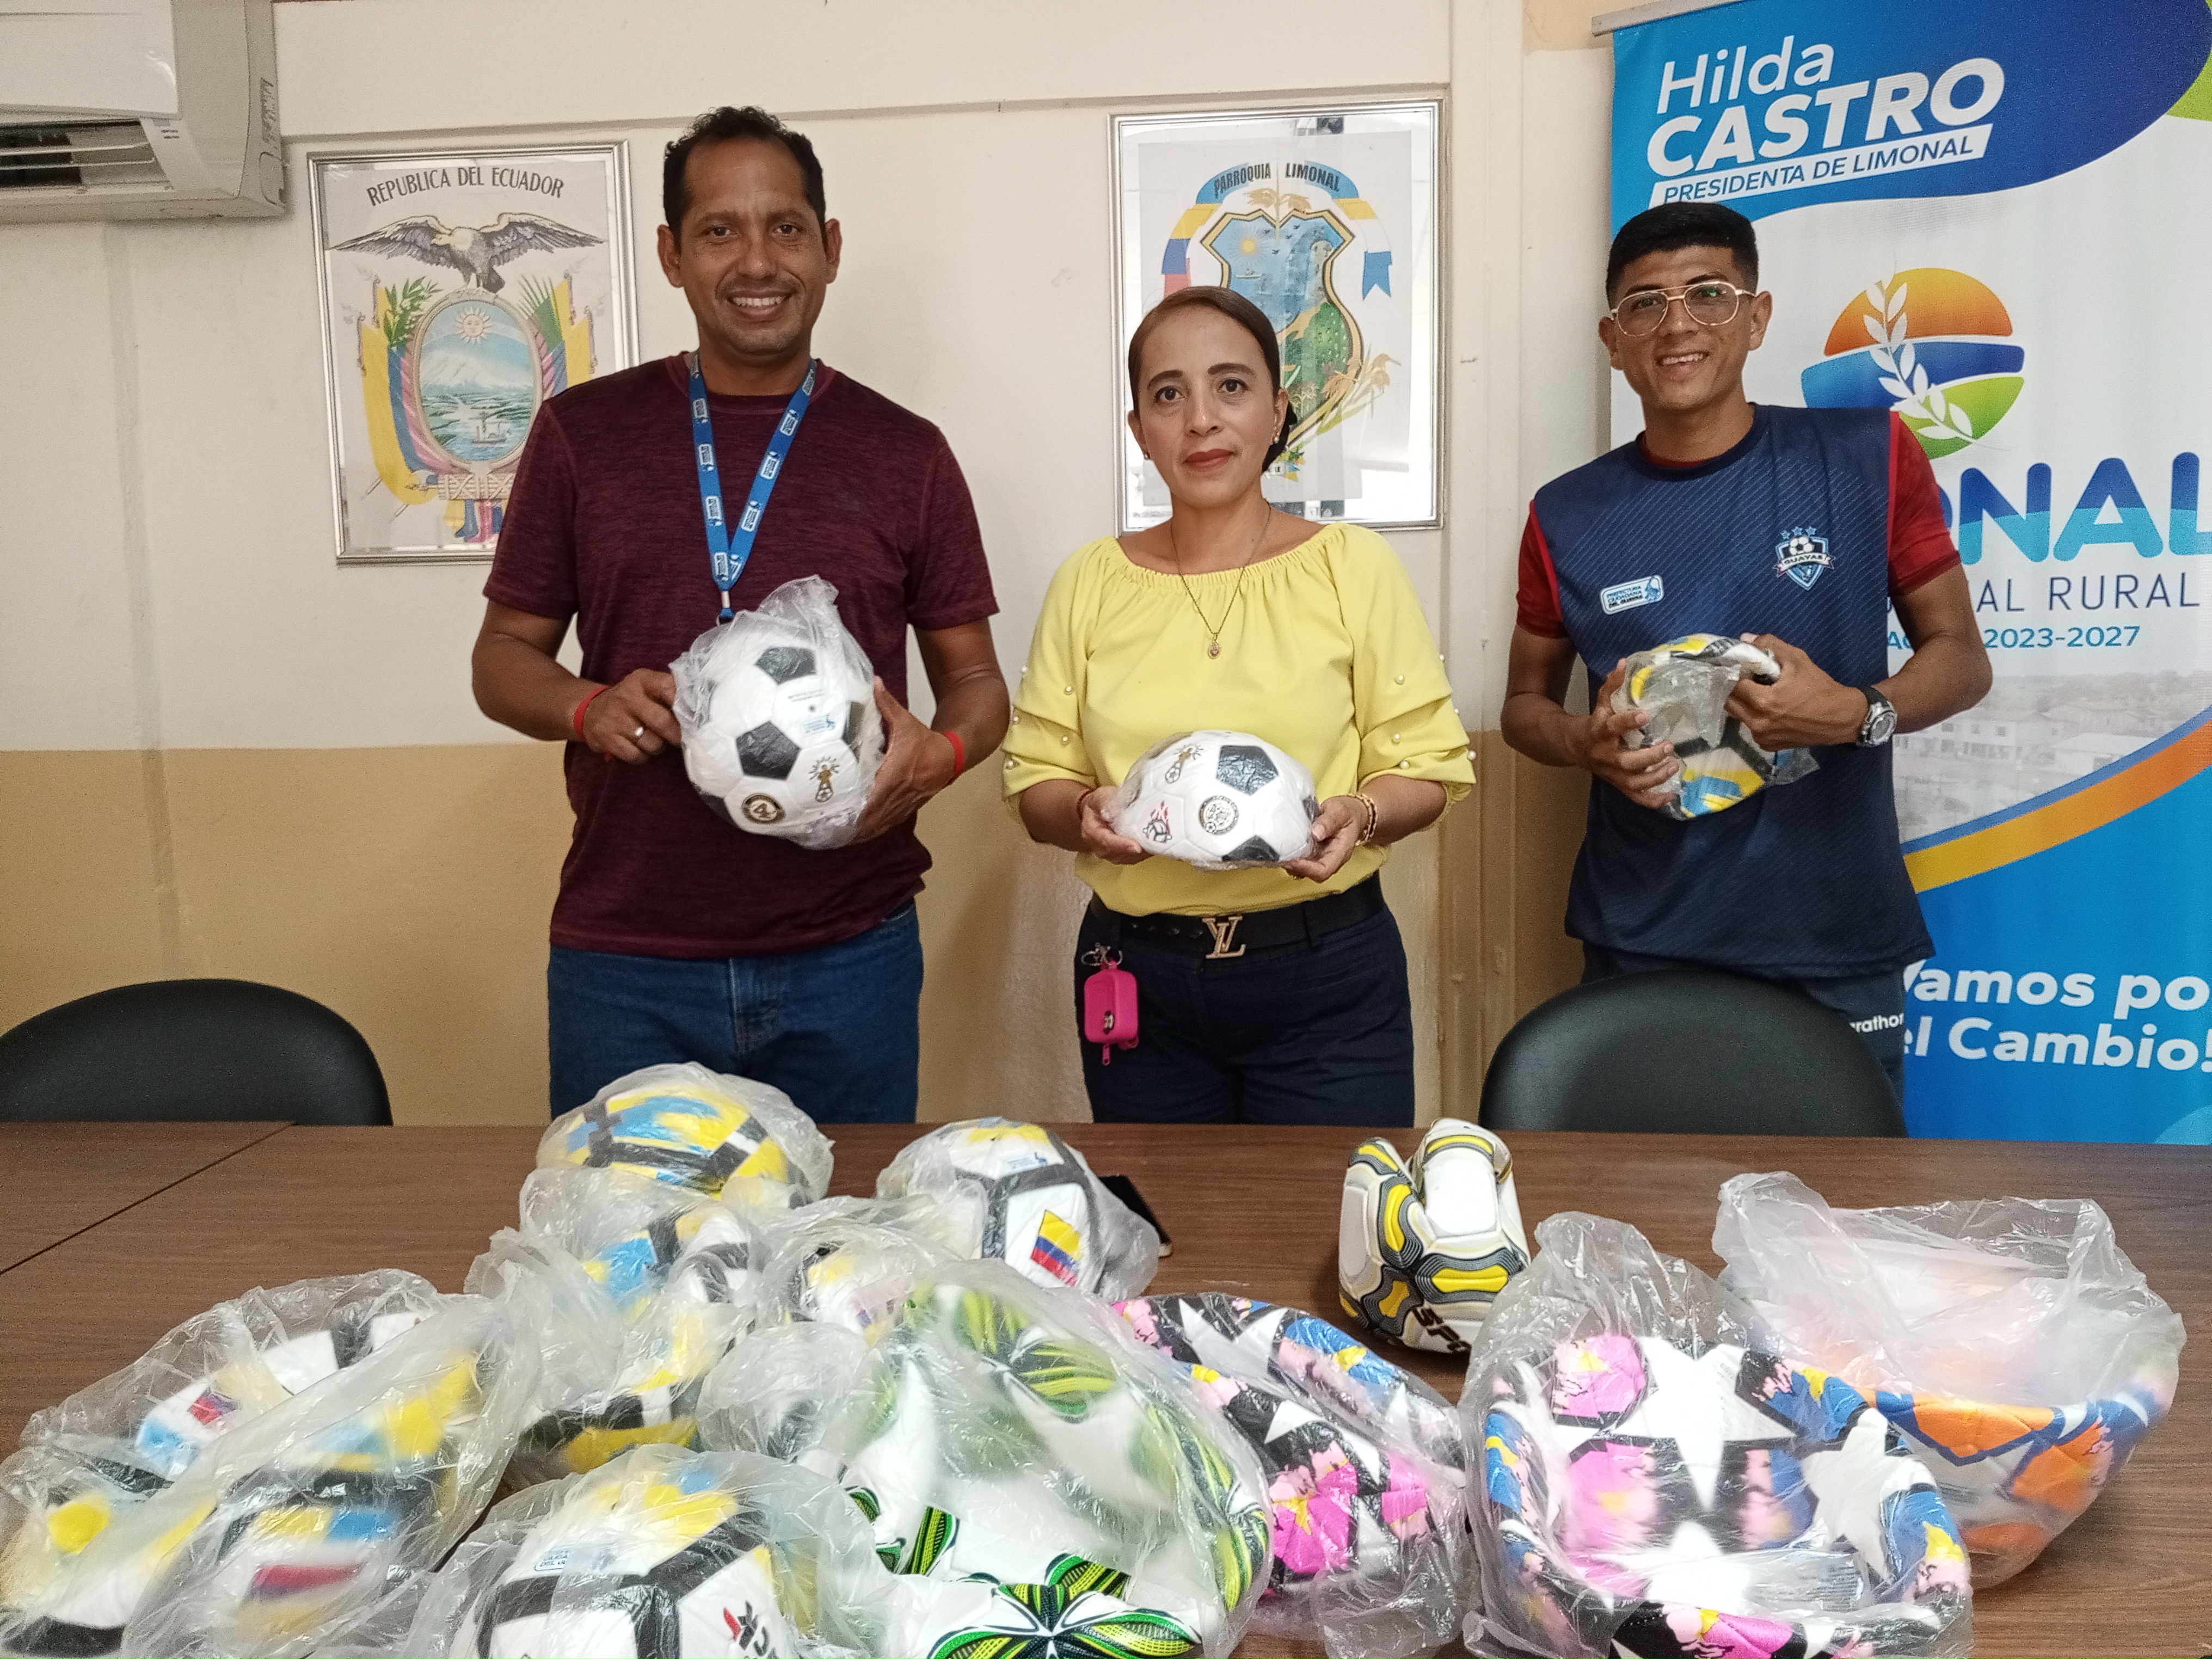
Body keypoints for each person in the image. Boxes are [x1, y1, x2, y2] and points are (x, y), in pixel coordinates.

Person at [472, 106, 1007, 1122]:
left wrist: (941, 755)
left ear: (830, 247)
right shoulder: (584, 435)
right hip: (627, 960)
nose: (758, 261)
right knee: (622, 1226)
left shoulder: (908, 453)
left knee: (845, 1223)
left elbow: (977, 683)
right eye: (720, 230)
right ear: (672, 255)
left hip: (849, 953)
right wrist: (586, 706)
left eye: (786, 227)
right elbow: (501, 659)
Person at [1502, 202, 1991, 1101]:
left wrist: (1855, 713)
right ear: (1614, 340)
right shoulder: (1564, 513)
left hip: (1833, 926)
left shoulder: (1867, 456)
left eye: (1709, 294)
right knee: (1641, 1185)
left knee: (1844, 1188)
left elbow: (1962, 657)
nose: (1677, 324)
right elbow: (1523, 709)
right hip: (1645, 934)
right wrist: (1582, 743)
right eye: (1645, 304)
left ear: (1756, 317)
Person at [1003, 286, 1473, 1126]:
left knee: (1332, 1207)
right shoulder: (1089, 581)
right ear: (1139, 428)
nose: (1201, 420)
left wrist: (1361, 815)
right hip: (1138, 974)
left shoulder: (1352, 566)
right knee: (1164, 1210)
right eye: (1168, 394)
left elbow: (1428, 768)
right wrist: (1082, 812)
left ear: (1278, 409)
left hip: (1329, 972)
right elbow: (1036, 779)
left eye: (1231, 386)